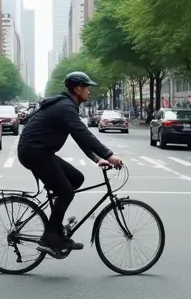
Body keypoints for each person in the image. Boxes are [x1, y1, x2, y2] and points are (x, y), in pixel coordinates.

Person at [18, 71, 123, 254]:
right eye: (87, 87)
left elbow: (79, 137)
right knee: (66, 192)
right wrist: (109, 155)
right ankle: (50, 237)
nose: (89, 91)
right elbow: (83, 133)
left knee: (76, 178)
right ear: (77, 89)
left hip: (40, 152)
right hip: (34, 153)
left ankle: (56, 229)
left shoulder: (66, 106)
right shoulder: (65, 107)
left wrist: (97, 159)